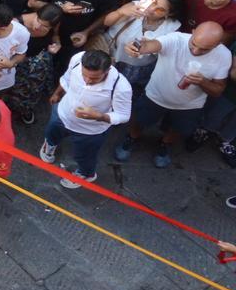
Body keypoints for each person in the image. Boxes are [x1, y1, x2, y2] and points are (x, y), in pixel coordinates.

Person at [116, 22, 232, 167]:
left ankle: (165, 144)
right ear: (193, 31)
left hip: (190, 105)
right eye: (193, 44)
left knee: (179, 129)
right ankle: (132, 138)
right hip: (155, 95)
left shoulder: (224, 56)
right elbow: (151, 45)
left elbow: (218, 90)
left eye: (204, 50)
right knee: (139, 120)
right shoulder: (176, 39)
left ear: (218, 44)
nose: (195, 51)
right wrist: (136, 48)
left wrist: (202, 81)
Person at [43, 50, 133, 187]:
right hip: (62, 113)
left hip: (89, 131)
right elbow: (66, 78)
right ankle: (49, 146)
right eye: (84, 75)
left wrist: (99, 116)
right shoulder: (77, 59)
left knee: (84, 156)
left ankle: (86, 174)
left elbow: (124, 115)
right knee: (51, 133)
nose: (87, 81)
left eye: (94, 78)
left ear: (107, 70)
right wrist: (57, 93)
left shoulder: (121, 87)